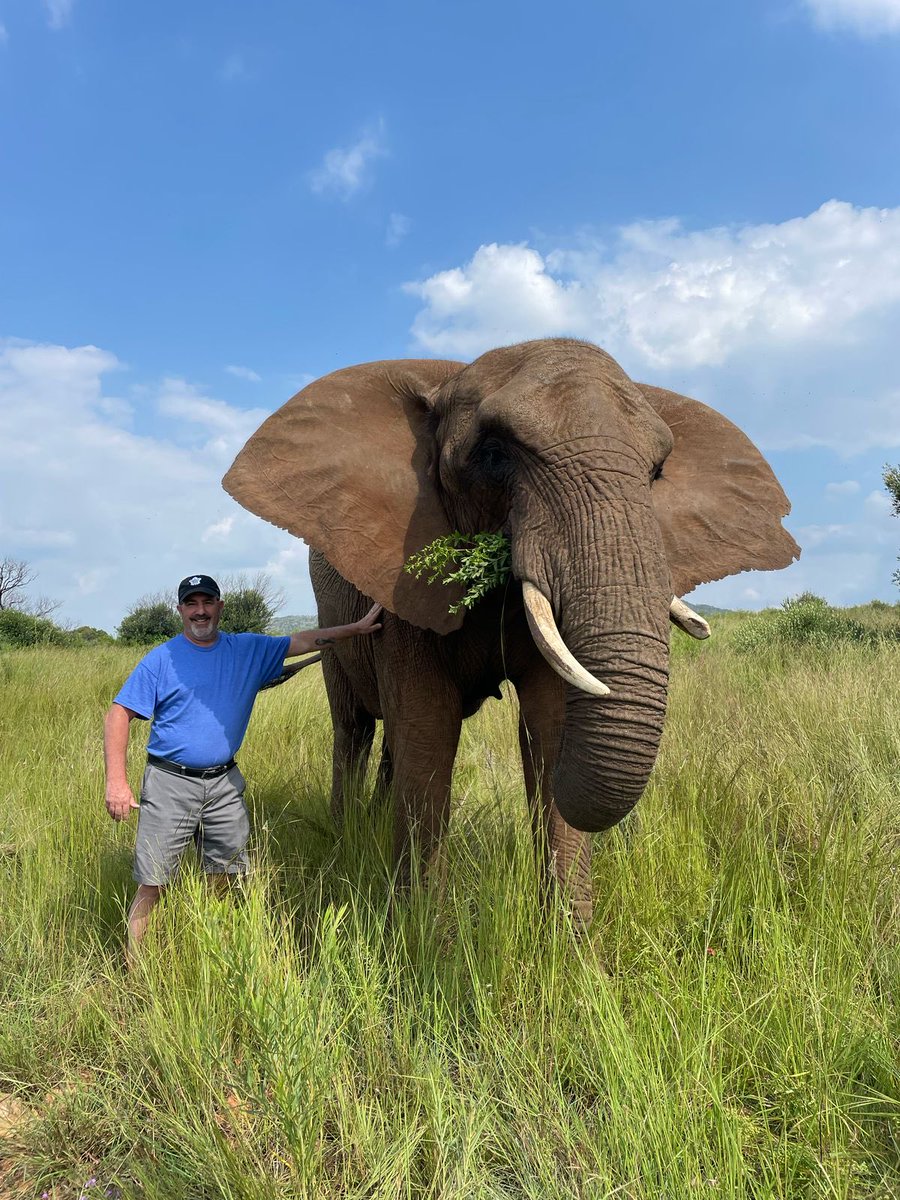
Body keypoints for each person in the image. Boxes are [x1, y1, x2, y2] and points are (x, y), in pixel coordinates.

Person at [103, 573, 381, 962]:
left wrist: (354, 628)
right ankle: (137, 971)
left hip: (223, 787)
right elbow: (119, 714)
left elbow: (300, 641)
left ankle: (218, 960)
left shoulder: (246, 650)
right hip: (170, 783)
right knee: (154, 882)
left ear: (219, 607)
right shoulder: (161, 660)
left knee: (226, 878)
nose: (200, 611)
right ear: (181, 610)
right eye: (192, 604)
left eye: (207, 602)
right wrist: (117, 783)